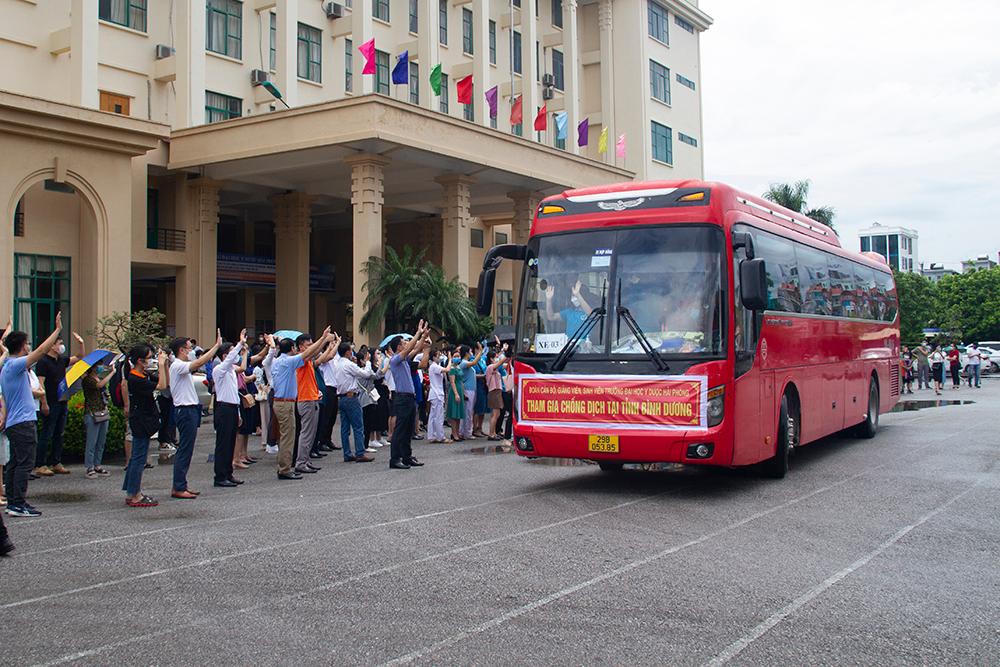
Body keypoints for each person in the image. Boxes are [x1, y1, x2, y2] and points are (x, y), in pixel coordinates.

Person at [2, 313, 64, 518]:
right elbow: (41, 351)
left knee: (15, 462)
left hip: (16, 421)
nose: (29, 346)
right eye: (27, 343)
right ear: (22, 346)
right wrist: (56, 331)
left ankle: (13, 502)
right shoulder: (14, 364)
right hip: (22, 422)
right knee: (24, 463)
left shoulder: (7, 366)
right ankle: (17, 503)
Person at [269, 328, 334, 480]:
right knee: (290, 437)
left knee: (292, 435)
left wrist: (325, 343)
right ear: (294, 348)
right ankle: (286, 468)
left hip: (287, 402)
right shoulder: (289, 361)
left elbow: (314, 356)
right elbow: (308, 354)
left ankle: (294, 464)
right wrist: (323, 339)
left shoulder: (280, 361)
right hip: (289, 402)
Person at [168, 330, 222, 499]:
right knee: (184, 449)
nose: (191, 351)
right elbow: (199, 362)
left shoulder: (178, 366)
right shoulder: (177, 365)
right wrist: (216, 347)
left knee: (187, 448)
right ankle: (178, 486)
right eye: (189, 348)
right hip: (185, 410)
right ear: (182, 350)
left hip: (189, 409)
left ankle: (181, 484)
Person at [33, 330, 84, 477]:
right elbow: (40, 384)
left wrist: (81, 343)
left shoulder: (61, 360)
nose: (62, 346)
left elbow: (79, 357)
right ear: (51, 346)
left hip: (62, 400)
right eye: (59, 343)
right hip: (51, 401)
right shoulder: (43, 362)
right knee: (47, 433)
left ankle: (56, 462)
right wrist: (44, 403)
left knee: (59, 433)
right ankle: (40, 464)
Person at [124, 345, 167, 507]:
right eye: (149, 357)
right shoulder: (135, 378)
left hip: (144, 419)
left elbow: (165, 382)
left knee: (138, 456)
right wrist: (162, 365)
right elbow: (161, 386)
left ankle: (131, 490)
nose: (151, 360)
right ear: (140, 361)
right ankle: (134, 494)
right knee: (139, 458)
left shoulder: (143, 374)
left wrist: (165, 366)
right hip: (141, 421)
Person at [388, 321, 430, 470]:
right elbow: (410, 349)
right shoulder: (395, 360)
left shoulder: (404, 359)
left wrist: (424, 336)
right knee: (400, 429)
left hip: (409, 398)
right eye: (403, 342)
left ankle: (406, 457)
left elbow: (416, 348)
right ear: (398, 347)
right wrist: (418, 333)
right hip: (402, 398)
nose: (406, 343)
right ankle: (395, 459)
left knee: (408, 429)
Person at [294, 333, 335, 475]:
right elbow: (313, 351)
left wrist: (326, 343)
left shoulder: (308, 360)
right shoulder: (300, 359)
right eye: (308, 345)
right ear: (300, 347)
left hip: (312, 398)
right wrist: (323, 339)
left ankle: (305, 460)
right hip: (305, 400)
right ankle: (300, 462)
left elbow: (317, 353)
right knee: (306, 433)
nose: (311, 347)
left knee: (310, 433)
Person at [333, 340, 379, 463]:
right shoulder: (348, 364)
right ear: (348, 352)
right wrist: (368, 362)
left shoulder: (337, 364)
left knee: (345, 428)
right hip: (351, 397)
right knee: (358, 426)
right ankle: (360, 452)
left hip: (342, 397)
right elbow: (365, 374)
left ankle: (347, 453)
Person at [211, 331, 246, 488]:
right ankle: (220, 476)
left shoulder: (231, 370)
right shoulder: (219, 369)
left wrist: (238, 413)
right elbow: (231, 359)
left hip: (232, 408)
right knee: (223, 444)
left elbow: (234, 394)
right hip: (223, 409)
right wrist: (239, 344)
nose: (235, 355)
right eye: (231, 352)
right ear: (225, 355)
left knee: (231, 442)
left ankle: (228, 473)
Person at [81, 363, 114, 478]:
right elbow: (99, 385)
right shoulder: (87, 380)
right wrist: (111, 373)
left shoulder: (98, 378)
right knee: (92, 441)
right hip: (92, 412)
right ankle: (89, 466)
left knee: (101, 441)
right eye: (98, 365)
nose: (100, 367)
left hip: (102, 411)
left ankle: (97, 464)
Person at [458, 343, 485, 439]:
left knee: (469, 411)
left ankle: (465, 431)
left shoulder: (466, 362)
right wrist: (480, 351)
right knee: (468, 412)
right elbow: (474, 363)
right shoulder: (464, 363)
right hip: (467, 389)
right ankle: (466, 432)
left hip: (471, 389)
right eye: (470, 351)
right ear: (466, 353)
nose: (471, 353)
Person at [427, 348, 450, 443]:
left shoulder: (434, 366)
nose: (440, 357)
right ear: (434, 357)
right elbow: (447, 369)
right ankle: (440, 437)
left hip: (435, 393)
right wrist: (450, 359)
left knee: (433, 416)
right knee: (438, 416)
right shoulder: (434, 366)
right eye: (438, 355)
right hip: (437, 394)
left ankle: (433, 435)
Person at [446, 349, 465, 442]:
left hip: (460, 390)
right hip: (454, 391)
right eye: (455, 356)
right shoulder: (452, 369)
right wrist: (456, 394)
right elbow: (452, 382)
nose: (457, 358)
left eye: (458, 356)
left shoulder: (458, 367)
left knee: (459, 414)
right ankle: (454, 434)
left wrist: (463, 392)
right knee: (454, 414)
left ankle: (457, 432)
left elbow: (461, 381)